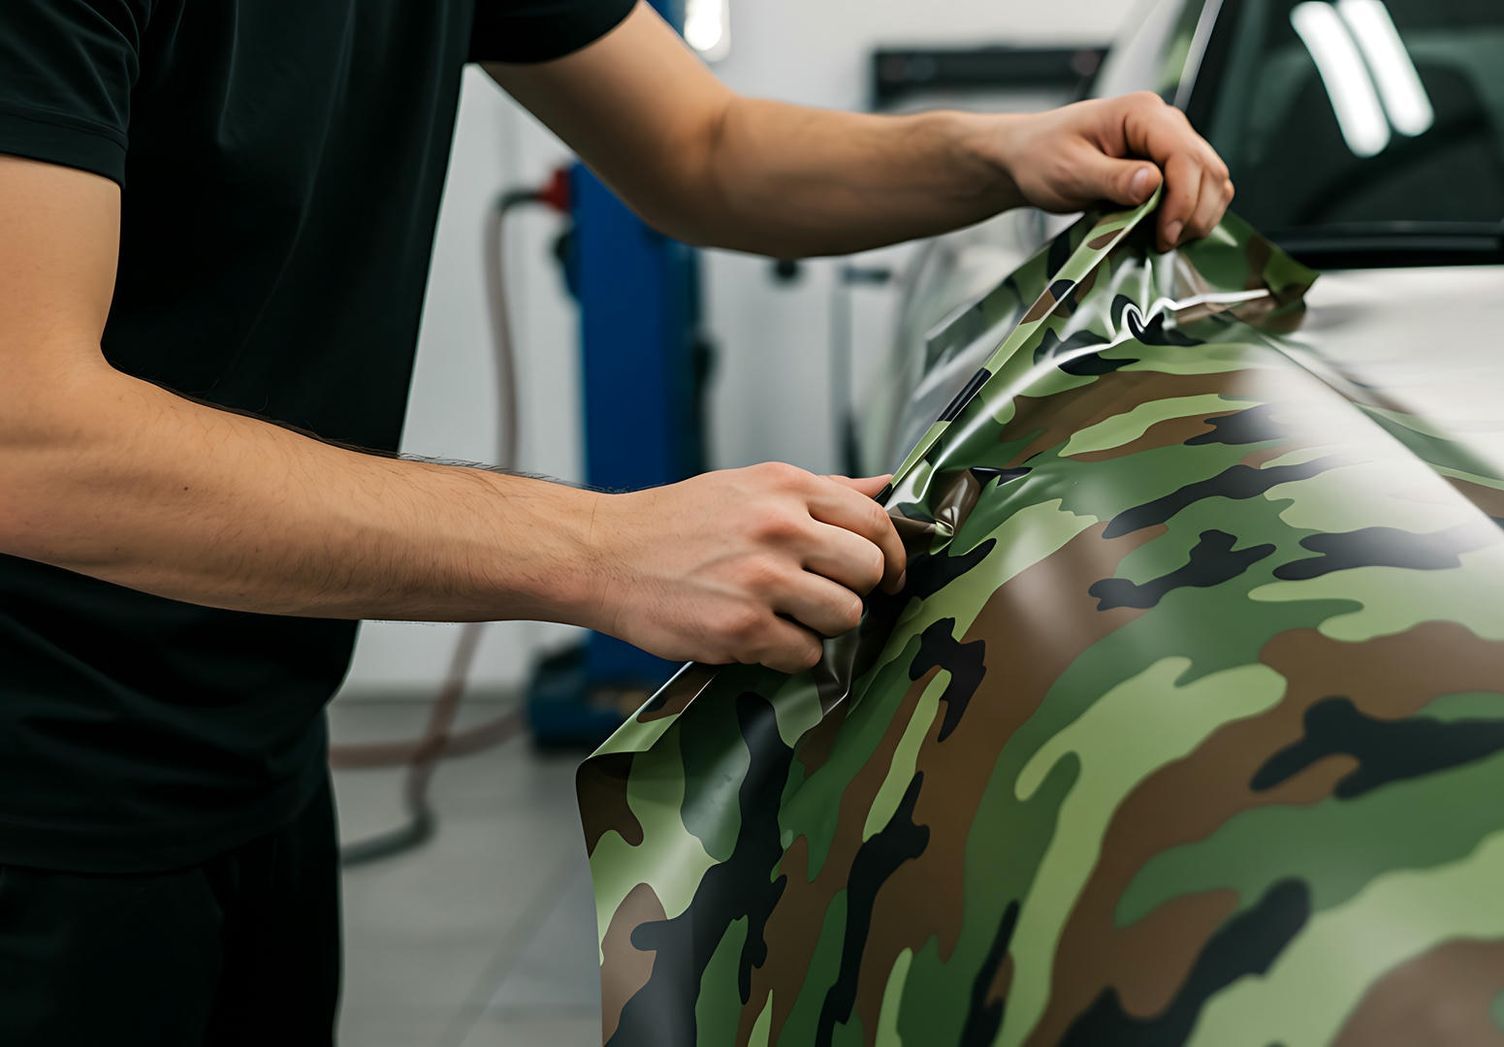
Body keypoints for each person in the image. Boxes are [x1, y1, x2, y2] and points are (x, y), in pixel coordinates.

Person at [0, 1, 1233, 1041]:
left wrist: (995, 153)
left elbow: (702, 144)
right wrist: (598, 552)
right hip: (38, 787)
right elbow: (25, 436)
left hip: (245, 737)